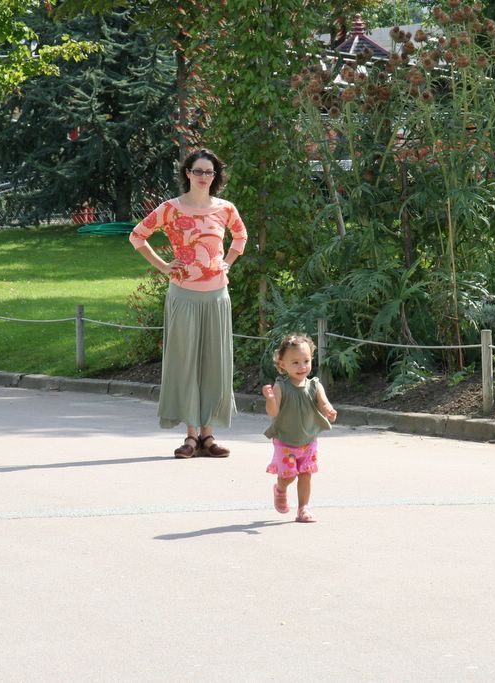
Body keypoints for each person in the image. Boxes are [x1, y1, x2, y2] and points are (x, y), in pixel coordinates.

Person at [129, 149, 247, 458]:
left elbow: (240, 237)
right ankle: (191, 435)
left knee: (214, 363)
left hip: (217, 296)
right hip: (183, 295)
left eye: (209, 172)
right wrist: (163, 266)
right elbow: (137, 236)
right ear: (187, 173)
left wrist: (228, 262)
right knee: (186, 363)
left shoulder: (225, 209)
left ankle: (209, 435)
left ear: (215, 176)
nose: (203, 177)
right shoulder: (171, 208)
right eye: (198, 171)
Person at [261, 334, 338, 523]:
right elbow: (273, 412)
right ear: (282, 364)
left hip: (308, 440)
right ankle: (280, 488)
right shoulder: (281, 386)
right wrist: (270, 399)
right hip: (286, 442)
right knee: (288, 476)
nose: (302, 366)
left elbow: (324, 403)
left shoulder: (315, 385)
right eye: (295, 362)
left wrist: (329, 410)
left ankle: (303, 508)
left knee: (305, 474)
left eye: (306, 361)